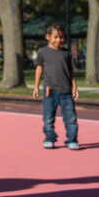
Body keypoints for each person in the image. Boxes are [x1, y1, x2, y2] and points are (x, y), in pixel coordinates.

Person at [33, 22, 80, 150]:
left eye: (61, 37)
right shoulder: (42, 52)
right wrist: (36, 87)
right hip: (49, 90)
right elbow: (39, 70)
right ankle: (49, 139)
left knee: (71, 118)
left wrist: (74, 87)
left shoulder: (66, 53)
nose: (59, 40)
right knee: (48, 117)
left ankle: (72, 140)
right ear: (47, 37)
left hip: (66, 91)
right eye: (55, 37)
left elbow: (71, 72)